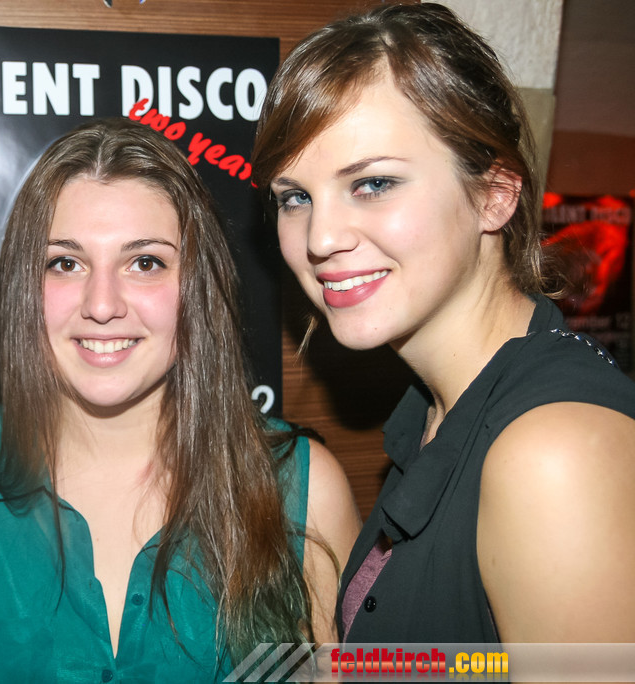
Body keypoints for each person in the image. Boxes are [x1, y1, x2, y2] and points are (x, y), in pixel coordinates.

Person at [0, 117, 361, 681]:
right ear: (23, 286)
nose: (102, 305)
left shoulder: (305, 490)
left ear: (196, 286)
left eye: (145, 263)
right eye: (65, 263)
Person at [251, 2, 635, 644]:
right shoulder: (438, 414)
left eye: (373, 184)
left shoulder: (552, 454)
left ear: (494, 194)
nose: (320, 238)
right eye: (296, 197)